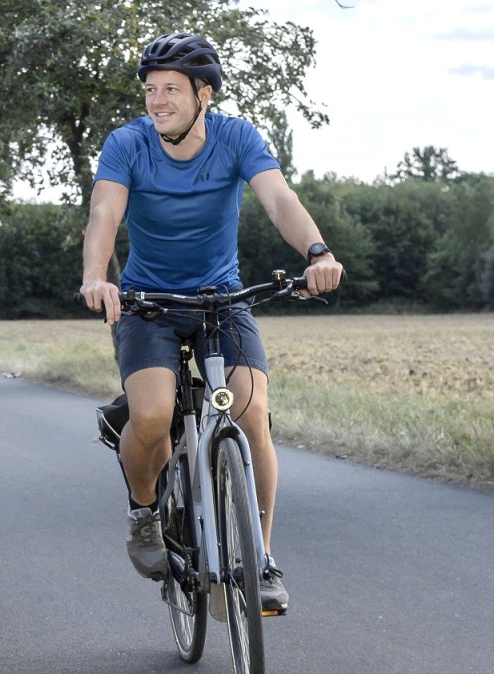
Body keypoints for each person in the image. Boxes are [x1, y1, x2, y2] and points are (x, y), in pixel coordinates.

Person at [78, 32, 344, 614]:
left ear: (204, 94)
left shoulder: (236, 137)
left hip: (222, 299)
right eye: (151, 89)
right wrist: (97, 276)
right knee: (152, 415)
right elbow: (104, 211)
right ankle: (144, 513)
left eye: (171, 89)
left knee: (249, 412)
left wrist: (317, 252)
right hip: (148, 303)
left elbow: (278, 199)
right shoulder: (127, 143)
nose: (158, 101)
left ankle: (261, 557)